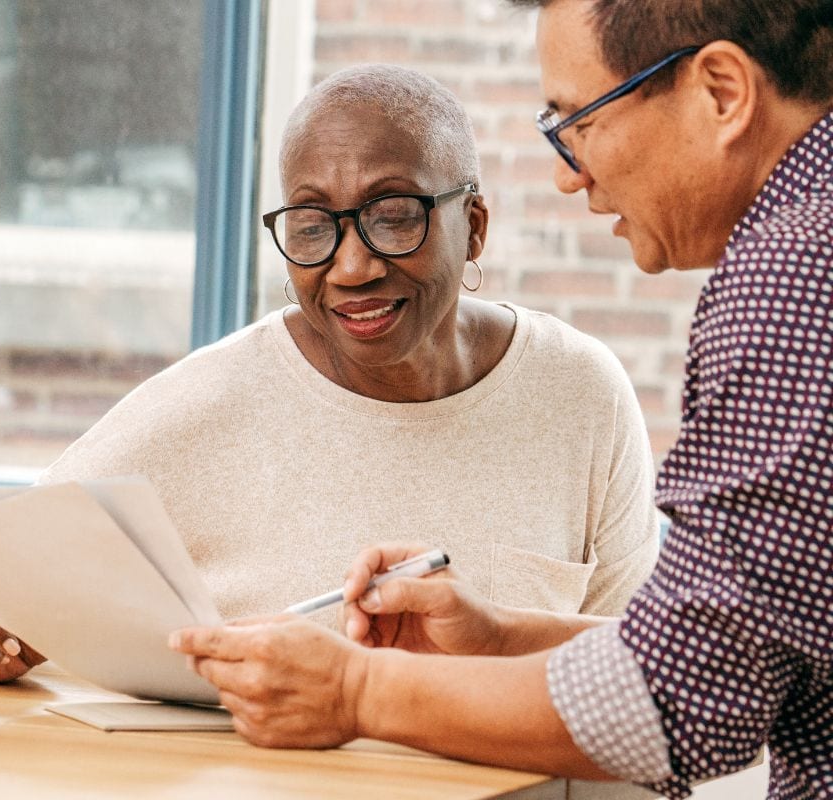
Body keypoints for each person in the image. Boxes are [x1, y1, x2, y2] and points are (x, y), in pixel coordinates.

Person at [170, 2, 833, 798]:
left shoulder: (792, 280)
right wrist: (499, 641)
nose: (569, 172)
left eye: (577, 122)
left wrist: (356, 691)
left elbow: (681, 698)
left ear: (722, 91)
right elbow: (758, 648)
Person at [0, 64, 660, 686]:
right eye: (311, 225)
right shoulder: (208, 403)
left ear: (475, 228)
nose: (352, 266)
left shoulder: (580, 395)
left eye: (394, 215)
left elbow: (646, 682)